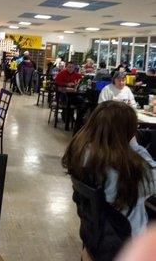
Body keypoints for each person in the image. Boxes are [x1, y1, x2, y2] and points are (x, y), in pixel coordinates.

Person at [62, 101, 156, 259]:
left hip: (96, 234)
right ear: (126, 133)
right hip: (125, 242)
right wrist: (136, 147)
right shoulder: (123, 168)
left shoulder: (83, 151)